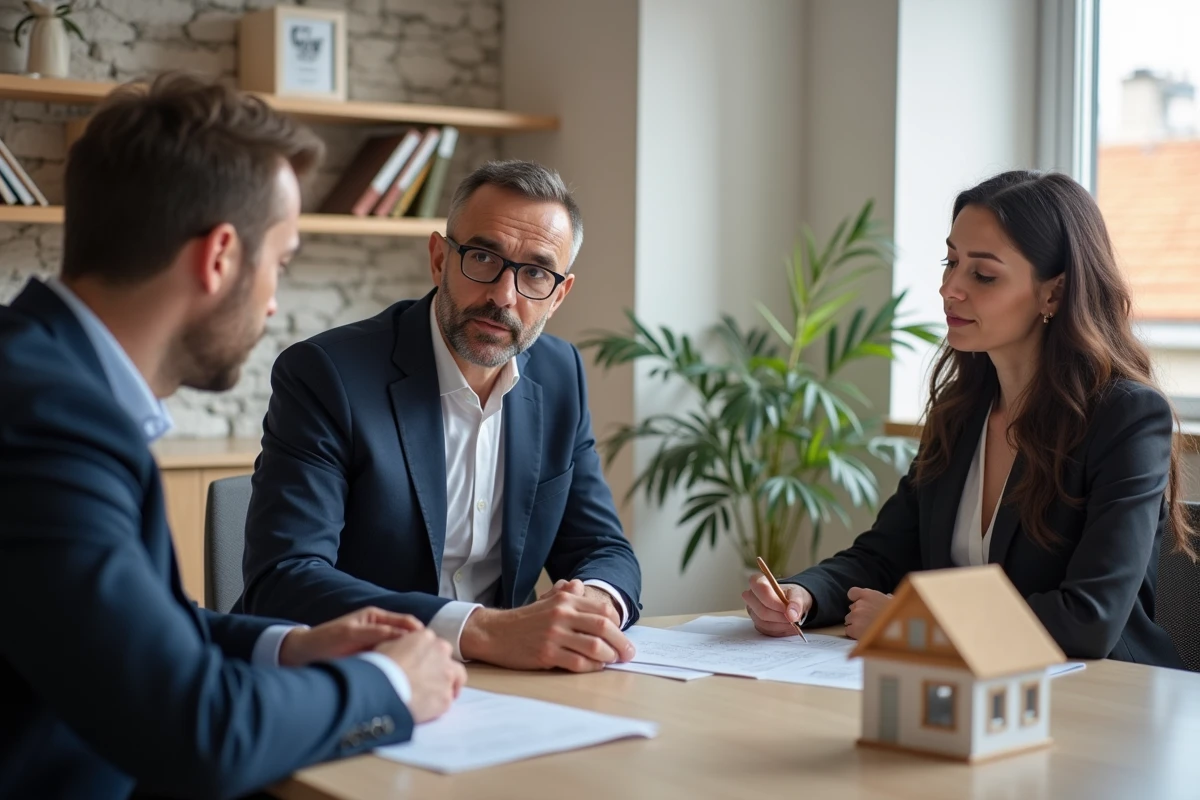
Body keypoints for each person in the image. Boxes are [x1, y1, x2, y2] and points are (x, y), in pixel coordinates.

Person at [0, 73, 466, 799]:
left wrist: (292, 646)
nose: (276, 304)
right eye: (278, 263)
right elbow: (196, 728)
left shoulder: (42, 375)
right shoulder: (48, 422)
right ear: (220, 257)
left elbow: (128, 631)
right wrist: (389, 684)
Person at [743, 170, 1194, 667]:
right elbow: (884, 554)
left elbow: (1090, 619)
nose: (949, 288)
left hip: (1106, 703)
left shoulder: (1125, 419)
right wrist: (801, 594)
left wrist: (919, 622)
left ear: (1054, 293)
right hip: (969, 696)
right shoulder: (960, 413)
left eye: (982, 274)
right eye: (950, 261)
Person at [239, 160, 643, 673]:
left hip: (504, 686)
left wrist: (597, 604)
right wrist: (481, 630)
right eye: (482, 257)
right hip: (354, 679)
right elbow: (284, 579)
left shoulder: (561, 375)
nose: (503, 296)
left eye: (536, 273)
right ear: (438, 259)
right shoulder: (326, 375)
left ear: (558, 295)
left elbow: (603, 548)